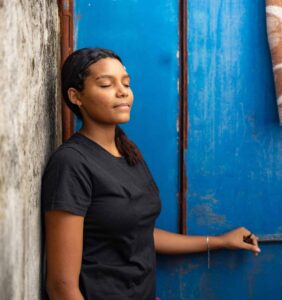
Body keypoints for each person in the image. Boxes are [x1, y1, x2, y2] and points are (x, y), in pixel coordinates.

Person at [41, 48, 261, 300]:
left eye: (126, 83)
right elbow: (61, 286)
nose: (122, 91)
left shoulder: (128, 153)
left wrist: (219, 241)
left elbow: (139, 233)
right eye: (105, 84)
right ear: (75, 96)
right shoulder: (71, 163)